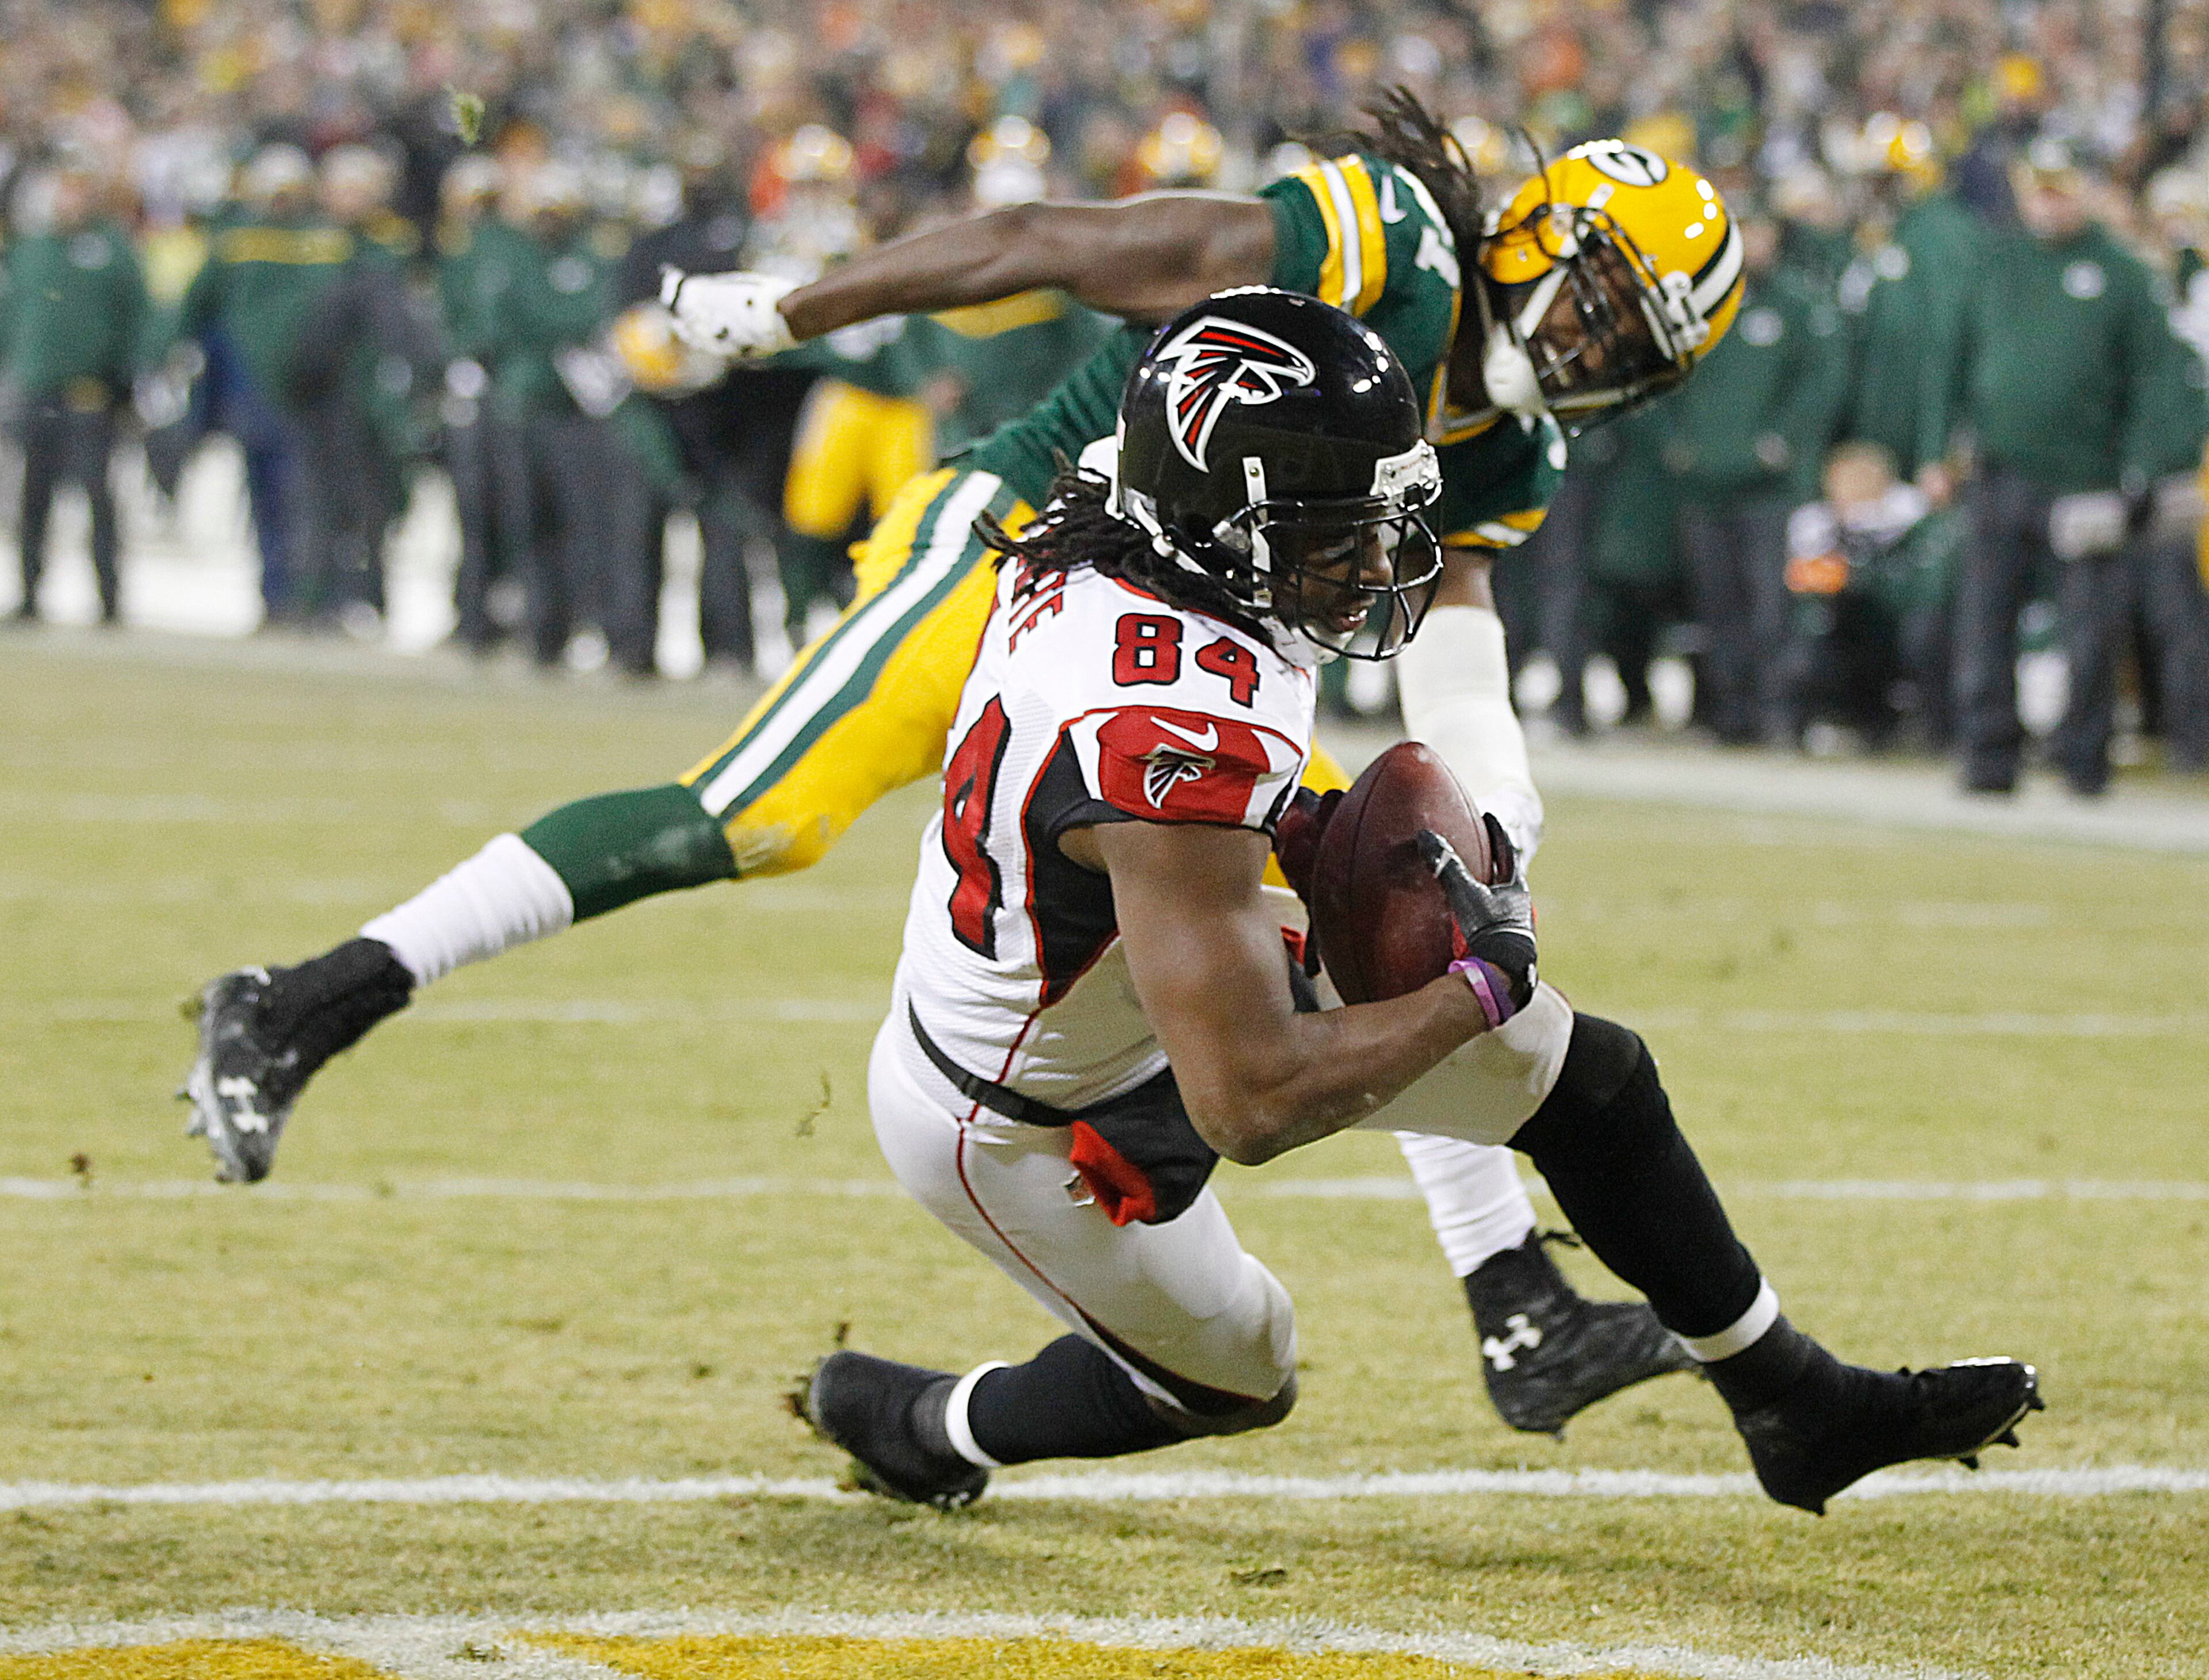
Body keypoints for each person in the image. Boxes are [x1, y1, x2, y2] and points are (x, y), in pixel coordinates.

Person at [180, 108, 1737, 1437]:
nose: (1592, 342)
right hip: (1025, 557)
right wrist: (794, 306)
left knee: (1376, 894)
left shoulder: (1521, 453)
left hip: (1176, 666)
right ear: (1534, 232)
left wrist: (1490, 791)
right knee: (760, 815)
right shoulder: (1379, 240)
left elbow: (1453, 641)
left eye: (1633, 345)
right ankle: (307, 996)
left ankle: (1515, 1298)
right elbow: (1052, 238)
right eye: (1597, 293)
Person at [799, 289, 2040, 1516]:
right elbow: (1253, 1097)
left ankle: (1798, 1401)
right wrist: (1475, 986)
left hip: (1129, 952)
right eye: (1337, 528)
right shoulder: (1163, 732)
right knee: (1241, 1371)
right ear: (1227, 518)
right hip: (1020, 1110)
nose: (1376, 559)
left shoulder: (1143, 515)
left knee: (1581, 1070)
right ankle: (925, 1422)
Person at [1932, 137, 2195, 796]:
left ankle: (2083, 759)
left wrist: (2141, 469)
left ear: (2087, 190)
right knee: (1985, 619)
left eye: (2061, 187)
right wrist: (1937, 448)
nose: (2048, 202)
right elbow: (1953, 362)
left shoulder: (2125, 276)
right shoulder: (1997, 263)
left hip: (2086, 481)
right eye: (2037, 187)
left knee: (2089, 631)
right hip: (1999, 470)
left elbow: (2162, 381)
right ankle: (1989, 755)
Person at [1663, 206, 1848, 744]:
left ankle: (1781, 715)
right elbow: (1663, 376)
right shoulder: (1694, 305)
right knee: (1716, 606)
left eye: (1759, 229)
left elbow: (1822, 383)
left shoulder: (1798, 305)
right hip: (1705, 483)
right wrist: (1680, 443)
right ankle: (1730, 715)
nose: (1752, 241)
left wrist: (1785, 444)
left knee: (1774, 604)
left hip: (1771, 490)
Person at [1, 158, 147, 625]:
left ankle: (109, 597)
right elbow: (12, 316)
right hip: (37, 389)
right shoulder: (30, 248)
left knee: (97, 498)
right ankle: (29, 593)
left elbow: (138, 316)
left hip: (92, 393)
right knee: (33, 498)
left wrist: (126, 378)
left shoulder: (114, 248)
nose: (72, 199)